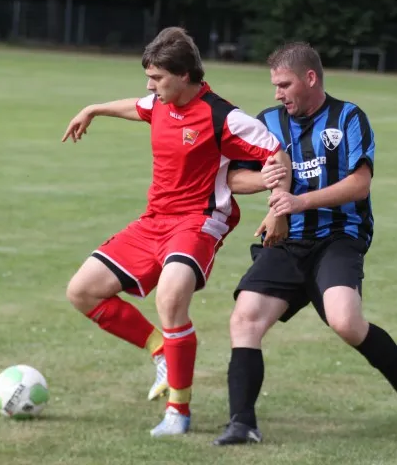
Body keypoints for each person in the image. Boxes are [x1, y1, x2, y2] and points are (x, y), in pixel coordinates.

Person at [61, 27, 291, 437]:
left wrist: (279, 207)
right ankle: (162, 352)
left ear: (184, 75)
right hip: (154, 220)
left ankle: (178, 412)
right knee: (82, 291)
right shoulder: (160, 103)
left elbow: (277, 154)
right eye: (148, 78)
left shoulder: (224, 117)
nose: (150, 87)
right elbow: (136, 106)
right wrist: (92, 109)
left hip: (199, 221)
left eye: (157, 78)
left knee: (170, 297)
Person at [213, 42, 397, 447]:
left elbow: (359, 184)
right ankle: (242, 423)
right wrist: (267, 181)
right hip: (286, 240)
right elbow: (233, 179)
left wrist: (298, 201)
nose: (277, 94)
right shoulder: (267, 123)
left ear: (310, 78)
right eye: (275, 85)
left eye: (284, 85)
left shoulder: (348, 117)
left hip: (338, 237)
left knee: (346, 322)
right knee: (245, 318)